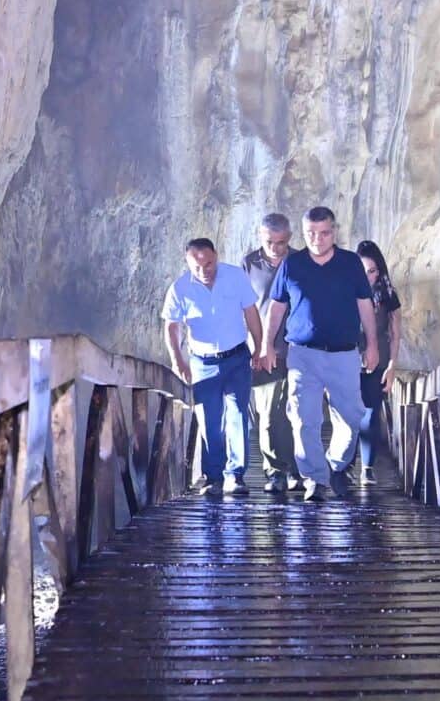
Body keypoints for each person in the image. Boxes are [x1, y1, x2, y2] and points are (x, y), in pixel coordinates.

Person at [254, 206, 379, 499]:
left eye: (324, 233)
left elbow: (365, 304)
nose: (317, 240)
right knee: (303, 418)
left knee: (351, 416)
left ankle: (334, 464)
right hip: (303, 354)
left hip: (344, 354)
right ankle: (314, 479)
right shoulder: (292, 264)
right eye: (311, 233)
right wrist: (266, 344)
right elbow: (277, 306)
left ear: (333, 232)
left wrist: (372, 344)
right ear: (304, 232)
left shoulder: (350, 263)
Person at [162, 236, 264, 494]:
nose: (203, 271)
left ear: (215, 256)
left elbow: (250, 312)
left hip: (237, 357)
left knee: (238, 415)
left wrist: (259, 347)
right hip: (203, 362)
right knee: (208, 419)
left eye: (208, 264)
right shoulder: (180, 288)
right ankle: (213, 476)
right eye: (196, 266)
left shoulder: (235, 277)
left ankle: (235, 474)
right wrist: (177, 360)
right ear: (187, 263)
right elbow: (172, 326)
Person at [240, 213, 297, 490]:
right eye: (269, 242)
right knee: (269, 413)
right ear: (260, 237)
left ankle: (297, 469)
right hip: (263, 350)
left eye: (281, 242)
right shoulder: (249, 264)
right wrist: (257, 347)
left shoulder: (300, 261)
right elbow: (244, 308)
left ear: (290, 238)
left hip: (298, 348)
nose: (275, 248)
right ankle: (275, 470)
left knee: (296, 412)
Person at [354, 239, 403, 486]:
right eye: (363, 271)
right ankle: (344, 463)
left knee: (371, 413)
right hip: (350, 358)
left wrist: (393, 365)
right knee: (349, 411)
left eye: (372, 271)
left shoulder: (388, 294)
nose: (368, 277)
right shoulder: (346, 290)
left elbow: (395, 332)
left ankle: (367, 468)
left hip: (379, 360)